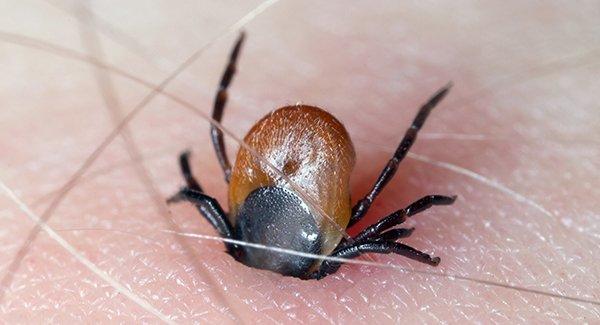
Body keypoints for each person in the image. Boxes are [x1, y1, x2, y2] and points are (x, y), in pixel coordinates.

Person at [0, 1, 598, 322]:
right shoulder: (253, 241)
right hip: (297, 189)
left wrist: (192, 191)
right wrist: (409, 233)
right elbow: (370, 226)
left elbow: (215, 202)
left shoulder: (239, 240)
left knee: (228, 157)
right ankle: (425, 113)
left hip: (289, 179)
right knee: (375, 202)